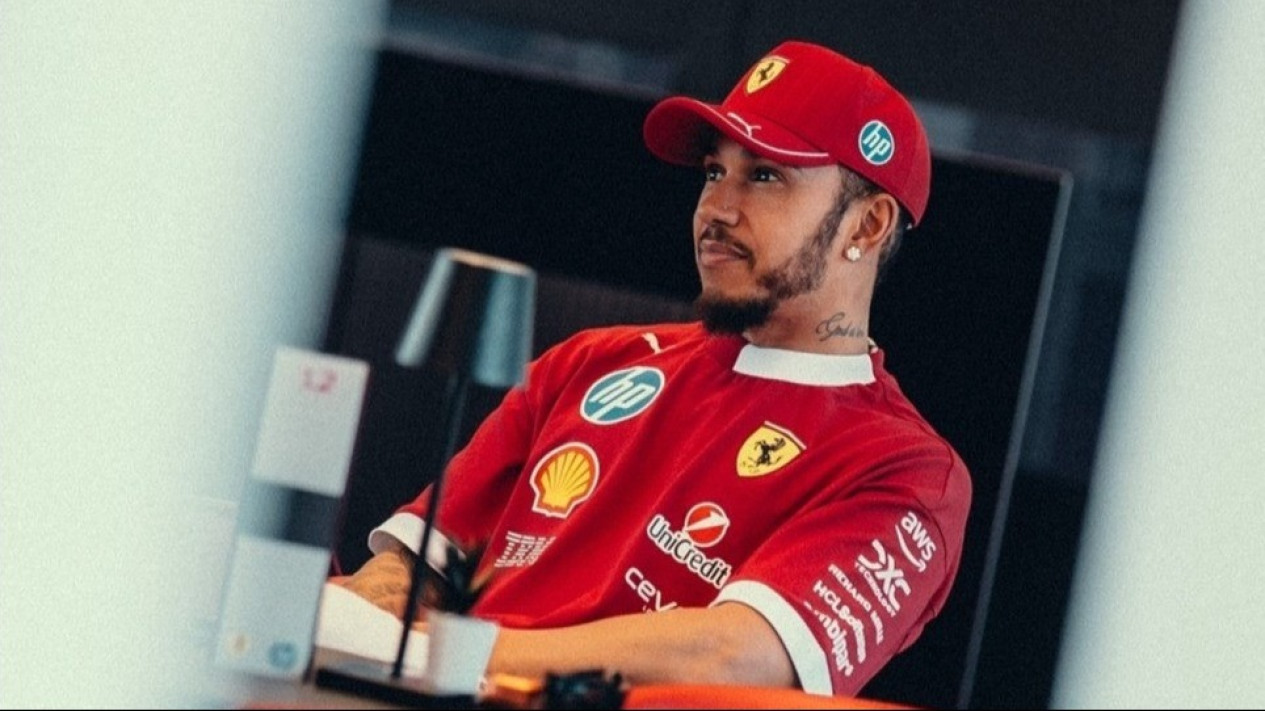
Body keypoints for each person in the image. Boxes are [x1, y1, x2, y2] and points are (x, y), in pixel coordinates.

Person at [334, 39, 972, 698]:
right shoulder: (590, 361)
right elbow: (402, 573)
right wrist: (369, 626)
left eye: (764, 176)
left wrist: (453, 654)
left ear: (866, 226)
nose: (716, 209)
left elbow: (732, 656)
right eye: (713, 172)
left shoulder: (908, 473)